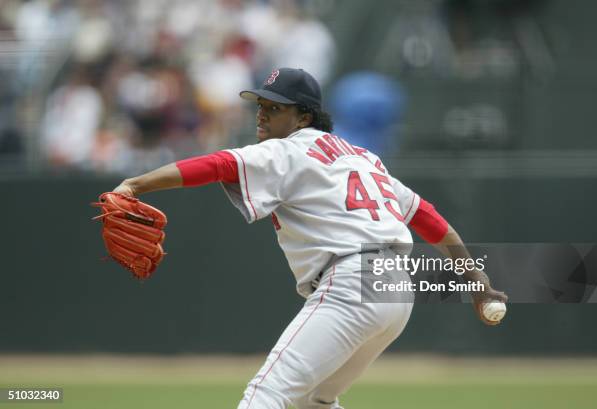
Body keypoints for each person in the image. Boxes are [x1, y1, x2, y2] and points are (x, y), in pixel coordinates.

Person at [110, 67, 508, 409]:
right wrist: (476, 279)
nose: (262, 117)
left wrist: (137, 184)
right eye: (261, 107)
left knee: (265, 395)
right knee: (314, 401)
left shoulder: (287, 151)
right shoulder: (363, 157)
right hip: (395, 290)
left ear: (303, 117)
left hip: (352, 283)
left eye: (275, 109)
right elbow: (429, 219)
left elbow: (217, 164)